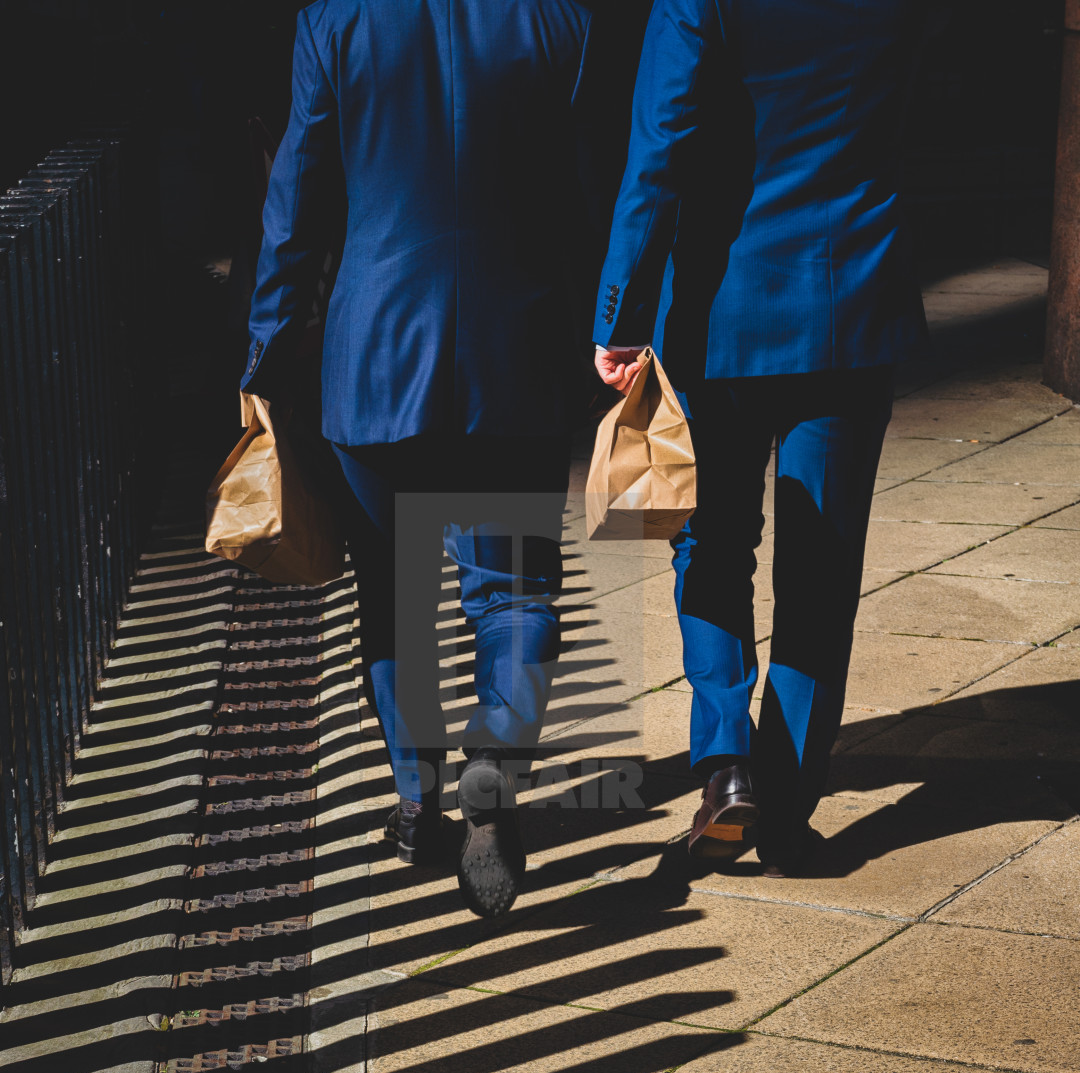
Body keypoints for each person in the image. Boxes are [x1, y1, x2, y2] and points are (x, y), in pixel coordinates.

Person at [241, 0, 607, 919]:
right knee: (515, 591)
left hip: (374, 355)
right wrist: (612, 322)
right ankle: (495, 755)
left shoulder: (339, 22)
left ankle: (416, 801)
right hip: (513, 350)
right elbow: (591, 190)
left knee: (394, 589)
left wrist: (269, 347)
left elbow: (298, 202)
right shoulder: (559, 21)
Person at [593, 0, 930, 876]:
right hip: (850, 302)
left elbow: (658, 151)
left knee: (709, 543)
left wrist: (621, 316)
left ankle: (728, 765)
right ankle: (784, 801)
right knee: (822, 567)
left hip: (719, 314)